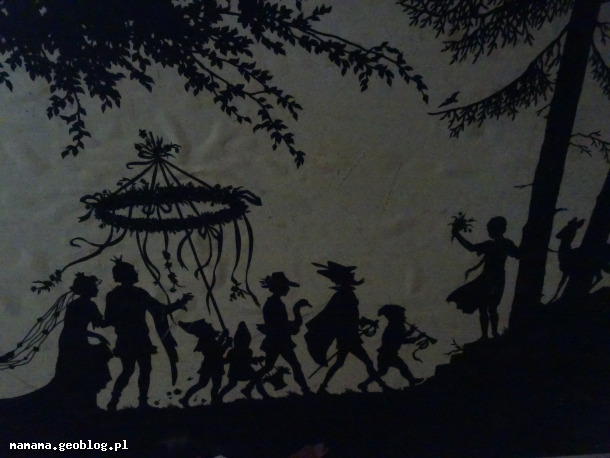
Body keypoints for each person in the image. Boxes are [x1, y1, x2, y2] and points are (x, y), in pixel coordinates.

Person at [105, 258, 193, 411]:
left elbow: (160, 310)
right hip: (135, 337)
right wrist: (180, 303)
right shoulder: (136, 294)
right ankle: (129, 402)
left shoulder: (117, 295)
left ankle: (122, 401)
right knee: (138, 370)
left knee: (134, 370)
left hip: (132, 337)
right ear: (127, 275)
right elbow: (161, 310)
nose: (136, 273)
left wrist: (180, 303)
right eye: (133, 271)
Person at [305, 261, 390, 394]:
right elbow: (343, 317)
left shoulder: (346, 294)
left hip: (349, 336)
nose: (352, 276)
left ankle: (322, 387)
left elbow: (350, 317)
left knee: (341, 363)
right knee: (365, 362)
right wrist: (359, 324)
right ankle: (381, 386)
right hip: (348, 337)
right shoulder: (343, 295)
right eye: (349, 275)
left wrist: (364, 322)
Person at [447, 216, 519, 340]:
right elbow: (471, 247)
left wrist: (457, 234)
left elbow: (471, 247)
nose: (488, 231)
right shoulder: (496, 244)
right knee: (485, 307)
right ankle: (487, 335)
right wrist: (457, 234)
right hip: (489, 278)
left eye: (490, 228)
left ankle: (492, 334)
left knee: (489, 307)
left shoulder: (502, 244)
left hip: (494, 278)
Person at [241, 272, 311, 398]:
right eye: (285, 286)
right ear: (279, 288)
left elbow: (280, 323)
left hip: (277, 340)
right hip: (279, 340)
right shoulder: (273, 304)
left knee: (269, 367)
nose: (288, 289)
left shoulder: (275, 302)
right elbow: (277, 324)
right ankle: (305, 390)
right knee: (293, 365)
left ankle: (248, 388)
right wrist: (294, 317)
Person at [54, 272, 113, 410]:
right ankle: (84, 404)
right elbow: (76, 327)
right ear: (87, 289)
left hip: (72, 339)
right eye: (94, 287)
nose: (97, 289)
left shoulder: (77, 304)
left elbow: (97, 323)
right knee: (86, 368)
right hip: (73, 341)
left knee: (82, 369)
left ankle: (84, 403)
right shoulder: (87, 305)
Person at [357, 304, 423, 391]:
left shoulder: (398, 326)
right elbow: (400, 340)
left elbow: (401, 337)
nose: (404, 317)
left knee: (383, 372)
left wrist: (410, 332)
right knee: (401, 367)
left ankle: (364, 384)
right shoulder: (393, 327)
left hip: (387, 354)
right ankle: (411, 380)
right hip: (387, 354)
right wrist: (415, 338)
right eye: (402, 315)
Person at [178, 319, 232, 406]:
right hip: (211, 365)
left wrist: (224, 339)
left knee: (215, 385)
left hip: (215, 364)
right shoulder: (205, 341)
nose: (210, 326)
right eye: (208, 326)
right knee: (204, 384)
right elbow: (218, 350)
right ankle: (185, 399)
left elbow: (218, 347)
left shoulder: (209, 339)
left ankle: (214, 401)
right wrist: (226, 342)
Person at [217, 321, 268, 402]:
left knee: (256, 379)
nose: (244, 343)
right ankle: (219, 397)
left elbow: (248, 360)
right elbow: (226, 361)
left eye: (246, 341)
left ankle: (264, 395)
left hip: (245, 370)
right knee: (232, 384)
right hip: (235, 371)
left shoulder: (248, 351)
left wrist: (257, 359)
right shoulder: (234, 351)